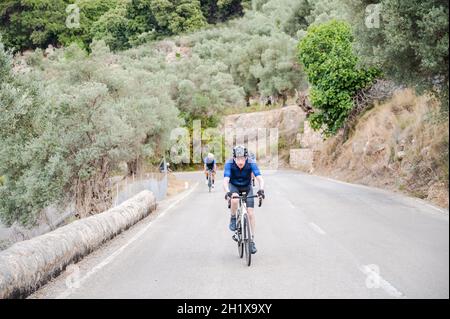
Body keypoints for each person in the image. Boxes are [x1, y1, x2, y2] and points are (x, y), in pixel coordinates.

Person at [223, 145, 265, 254]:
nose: (240, 161)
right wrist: (227, 191)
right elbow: (226, 180)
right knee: (235, 200)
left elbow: (260, 178)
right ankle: (233, 218)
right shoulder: (229, 164)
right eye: (238, 159)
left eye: (242, 158)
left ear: (246, 158)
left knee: (250, 213)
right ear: (234, 158)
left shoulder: (251, 163)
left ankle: (251, 241)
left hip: (247, 186)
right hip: (234, 186)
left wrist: (261, 189)